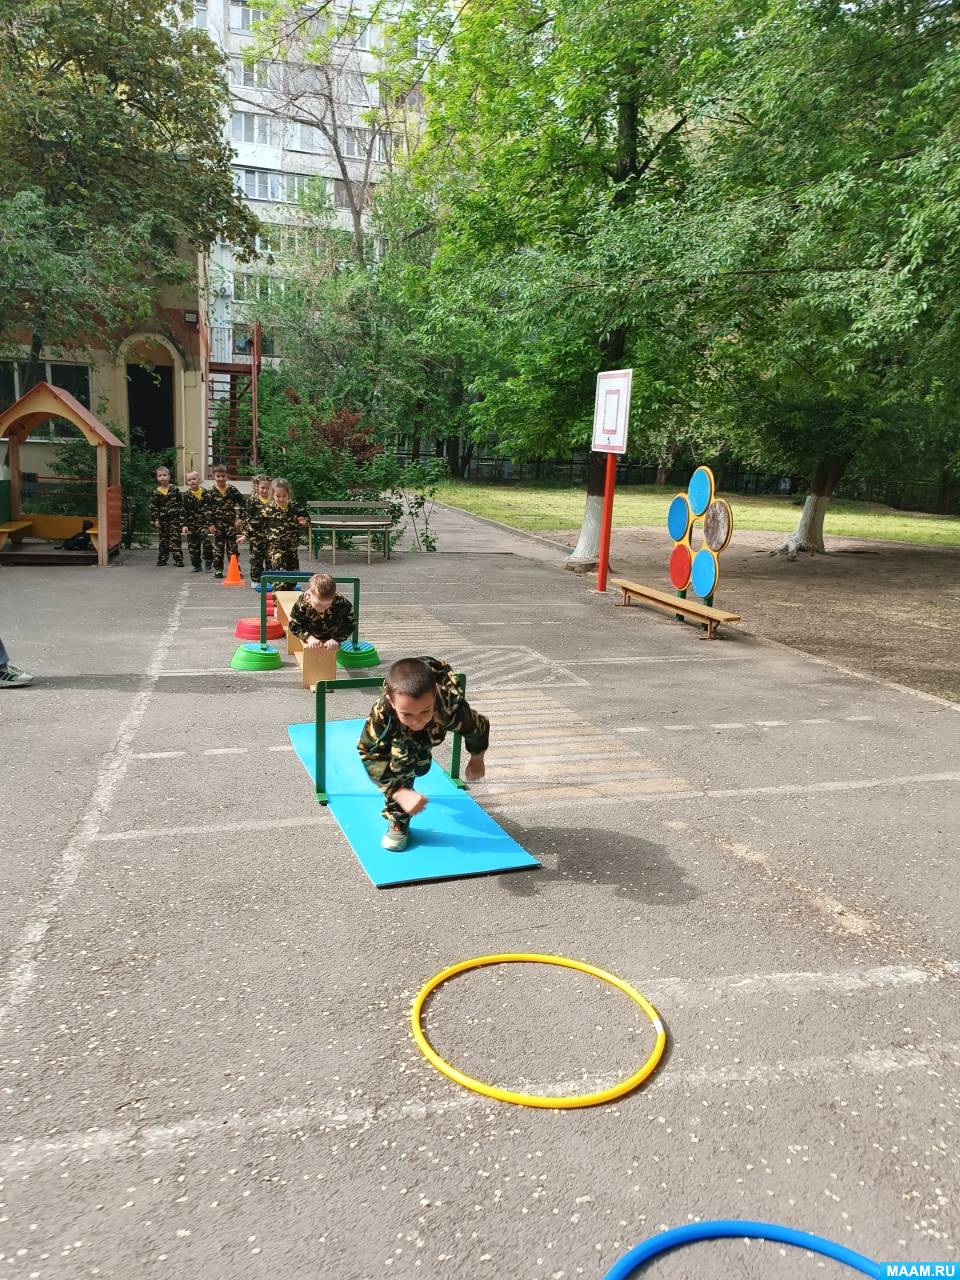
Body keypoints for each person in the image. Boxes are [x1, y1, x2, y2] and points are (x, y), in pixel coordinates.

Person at [357, 657, 488, 852]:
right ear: (392, 701)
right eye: (408, 714)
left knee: (420, 766)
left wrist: (477, 757)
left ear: (435, 696)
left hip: (434, 725)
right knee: (401, 759)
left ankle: (421, 754)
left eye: (424, 711)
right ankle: (399, 821)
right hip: (402, 735)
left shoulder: (449, 705)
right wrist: (400, 792)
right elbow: (370, 752)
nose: (417, 721)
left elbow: (478, 727)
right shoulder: (383, 711)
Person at [288, 573, 355, 651]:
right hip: (311, 635)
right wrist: (308, 637)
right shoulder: (302, 603)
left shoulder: (340, 602)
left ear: (333, 597)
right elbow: (294, 624)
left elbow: (350, 622)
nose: (323, 608)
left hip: (333, 636)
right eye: (318, 604)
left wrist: (336, 638)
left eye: (328, 604)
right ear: (309, 594)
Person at [264, 476, 308, 590]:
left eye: (284, 496)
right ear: (273, 495)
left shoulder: (295, 507)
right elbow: (255, 524)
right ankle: (277, 594)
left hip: (291, 547)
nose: (281, 499)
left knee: (292, 576)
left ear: (289, 495)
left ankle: (289, 591)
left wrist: (304, 522)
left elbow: (307, 518)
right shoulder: (268, 509)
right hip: (275, 547)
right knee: (279, 571)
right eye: (278, 496)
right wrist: (245, 535)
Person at [206, 463, 245, 579]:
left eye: (223, 476)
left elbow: (243, 503)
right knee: (218, 548)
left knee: (232, 548)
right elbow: (207, 509)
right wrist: (210, 524)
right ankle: (218, 569)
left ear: (226, 476)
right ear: (214, 477)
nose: (221, 479)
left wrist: (240, 518)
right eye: (218, 476)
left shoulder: (232, 490)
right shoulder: (210, 492)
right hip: (217, 525)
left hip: (230, 525)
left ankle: (235, 568)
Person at [237, 474, 272, 583]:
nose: (265, 490)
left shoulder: (274, 501)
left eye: (267, 488)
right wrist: (245, 535)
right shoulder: (252, 501)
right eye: (262, 488)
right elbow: (248, 520)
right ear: (257, 487)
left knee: (271, 561)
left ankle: (270, 581)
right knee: (256, 561)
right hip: (256, 538)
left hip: (272, 538)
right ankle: (256, 581)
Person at [180, 469, 213, 573]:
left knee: (206, 542)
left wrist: (210, 523)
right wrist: (184, 524)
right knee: (193, 546)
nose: (192, 481)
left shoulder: (206, 493)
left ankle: (208, 559)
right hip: (191, 524)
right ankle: (197, 564)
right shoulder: (187, 495)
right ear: (187, 483)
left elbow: (211, 509)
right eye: (190, 480)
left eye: (194, 479)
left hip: (203, 523)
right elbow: (183, 510)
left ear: (199, 480)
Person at [149, 465, 183, 567]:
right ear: (157, 477)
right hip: (162, 520)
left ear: (169, 476)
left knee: (175, 539)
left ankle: (178, 559)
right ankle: (162, 559)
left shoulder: (174, 489)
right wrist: (155, 520)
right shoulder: (156, 492)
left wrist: (181, 519)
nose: (162, 477)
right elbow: (153, 507)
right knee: (163, 540)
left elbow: (180, 504)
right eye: (160, 475)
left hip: (174, 519)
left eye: (164, 475)